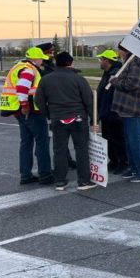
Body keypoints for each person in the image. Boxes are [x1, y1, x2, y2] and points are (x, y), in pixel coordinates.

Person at [34, 52, 96, 191]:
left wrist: (49, 114)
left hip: (58, 119)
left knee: (59, 151)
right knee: (81, 150)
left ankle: (60, 181)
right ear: (70, 63)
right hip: (78, 118)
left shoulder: (46, 79)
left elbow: (38, 100)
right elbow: (89, 100)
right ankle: (84, 181)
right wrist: (94, 119)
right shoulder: (79, 79)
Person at [0, 47, 53, 185]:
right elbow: (22, 88)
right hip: (31, 111)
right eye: (41, 59)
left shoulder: (19, 66)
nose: (42, 62)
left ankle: (26, 175)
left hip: (18, 111)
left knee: (26, 142)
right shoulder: (29, 70)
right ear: (35, 59)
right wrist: (25, 106)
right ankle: (45, 175)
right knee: (42, 142)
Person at [109, 44, 140, 183]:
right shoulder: (130, 62)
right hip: (127, 109)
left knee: (136, 141)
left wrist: (115, 81)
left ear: (126, 50)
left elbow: (133, 84)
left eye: (120, 50)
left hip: (135, 108)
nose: (119, 53)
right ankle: (134, 168)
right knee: (129, 141)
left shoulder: (138, 62)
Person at [38, 42, 77, 170]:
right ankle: (47, 167)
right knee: (48, 140)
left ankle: (67, 160)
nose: (52, 54)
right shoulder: (41, 67)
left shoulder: (50, 65)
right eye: (50, 52)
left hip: (54, 107)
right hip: (48, 106)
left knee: (59, 138)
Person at [96, 49, 128, 175]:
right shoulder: (107, 73)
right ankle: (114, 160)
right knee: (108, 139)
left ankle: (123, 162)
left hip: (114, 114)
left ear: (107, 61)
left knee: (118, 139)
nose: (100, 61)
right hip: (106, 113)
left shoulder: (115, 74)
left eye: (101, 59)